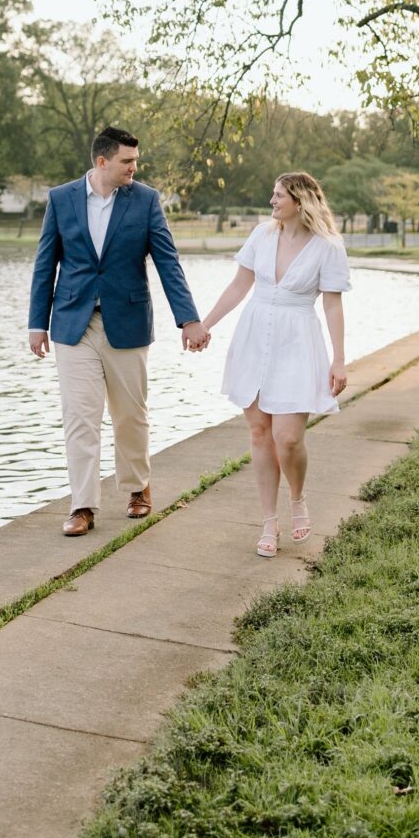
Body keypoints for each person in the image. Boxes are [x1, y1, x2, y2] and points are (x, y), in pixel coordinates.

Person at [27, 125, 210, 537]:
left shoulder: (146, 201)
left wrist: (189, 319)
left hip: (126, 324)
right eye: (127, 161)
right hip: (74, 324)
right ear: (102, 161)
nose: (134, 168)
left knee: (130, 416)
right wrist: (37, 323)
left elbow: (168, 263)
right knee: (80, 419)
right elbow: (45, 264)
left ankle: (136, 489)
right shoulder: (61, 199)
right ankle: (83, 506)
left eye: (136, 162)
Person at [195, 171, 350, 559]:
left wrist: (340, 359)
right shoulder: (262, 236)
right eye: (273, 193)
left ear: (300, 201)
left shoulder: (328, 246)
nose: (272, 201)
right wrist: (205, 324)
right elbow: (238, 286)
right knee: (259, 433)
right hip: (254, 335)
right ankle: (269, 520)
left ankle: (297, 500)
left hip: (297, 341)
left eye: (279, 195)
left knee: (288, 437)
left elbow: (332, 304)